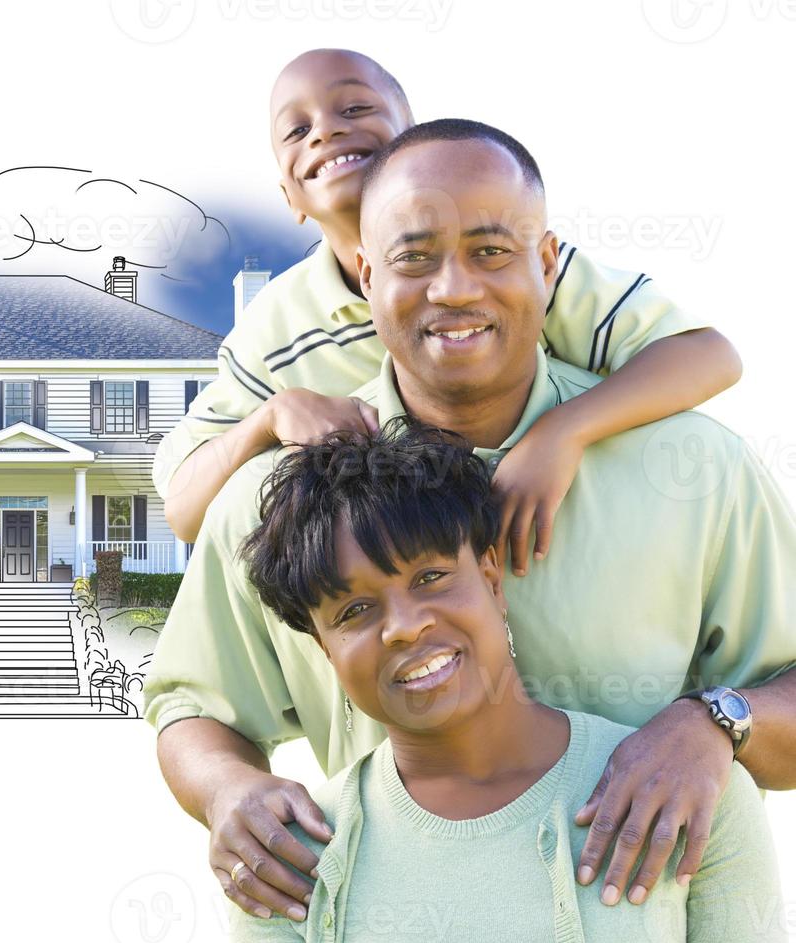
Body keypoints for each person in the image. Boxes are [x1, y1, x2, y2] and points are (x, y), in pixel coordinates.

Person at [142, 118, 796, 927]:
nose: (452, 288)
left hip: (645, 942)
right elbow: (192, 705)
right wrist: (228, 791)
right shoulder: (274, 501)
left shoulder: (696, 470)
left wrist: (715, 723)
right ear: (364, 271)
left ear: (547, 263)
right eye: (414, 258)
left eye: (490, 251)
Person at [154, 49, 742, 587]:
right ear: (288, 195)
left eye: (355, 107)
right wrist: (271, 417)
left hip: (563, 549)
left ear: (415, 141)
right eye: (297, 129)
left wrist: (564, 431)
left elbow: (708, 355)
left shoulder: (517, 267)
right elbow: (184, 509)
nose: (327, 130)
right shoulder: (277, 326)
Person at [226, 418, 788, 943]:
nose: (403, 626)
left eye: (430, 577)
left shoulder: (686, 789)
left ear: (493, 580)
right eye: (353, 611)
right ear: (326, 652)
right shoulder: (285, 857)